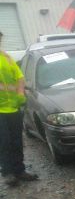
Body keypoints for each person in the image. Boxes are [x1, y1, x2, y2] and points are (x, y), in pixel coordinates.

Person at [0, 31, 38, 187]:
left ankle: (19, 170)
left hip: (14, 108)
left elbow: (19, 77)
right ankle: (8, 173)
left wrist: (20, 94)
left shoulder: (6, 57)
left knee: (16, 141)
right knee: (4, 142)